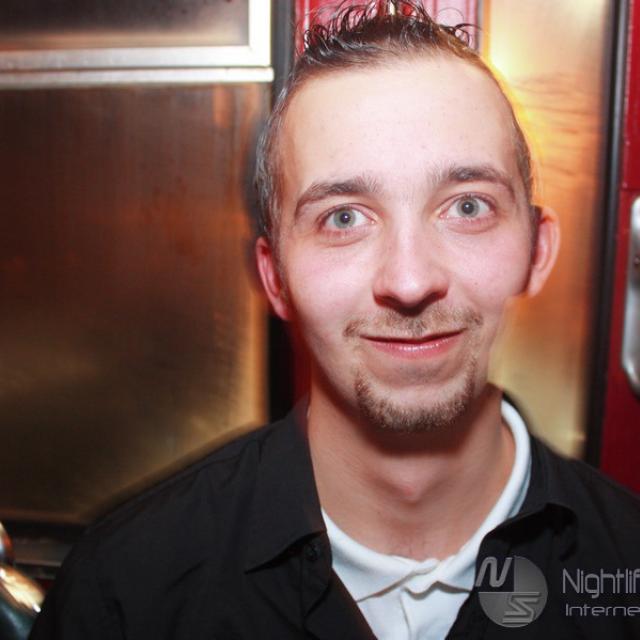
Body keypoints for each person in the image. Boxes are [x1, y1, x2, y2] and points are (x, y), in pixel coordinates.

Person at [30, 2, 640, 639]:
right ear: (276, 279)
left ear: (537, 252)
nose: (409, 281)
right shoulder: (127, 594)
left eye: (467, 207)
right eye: (343, 217)